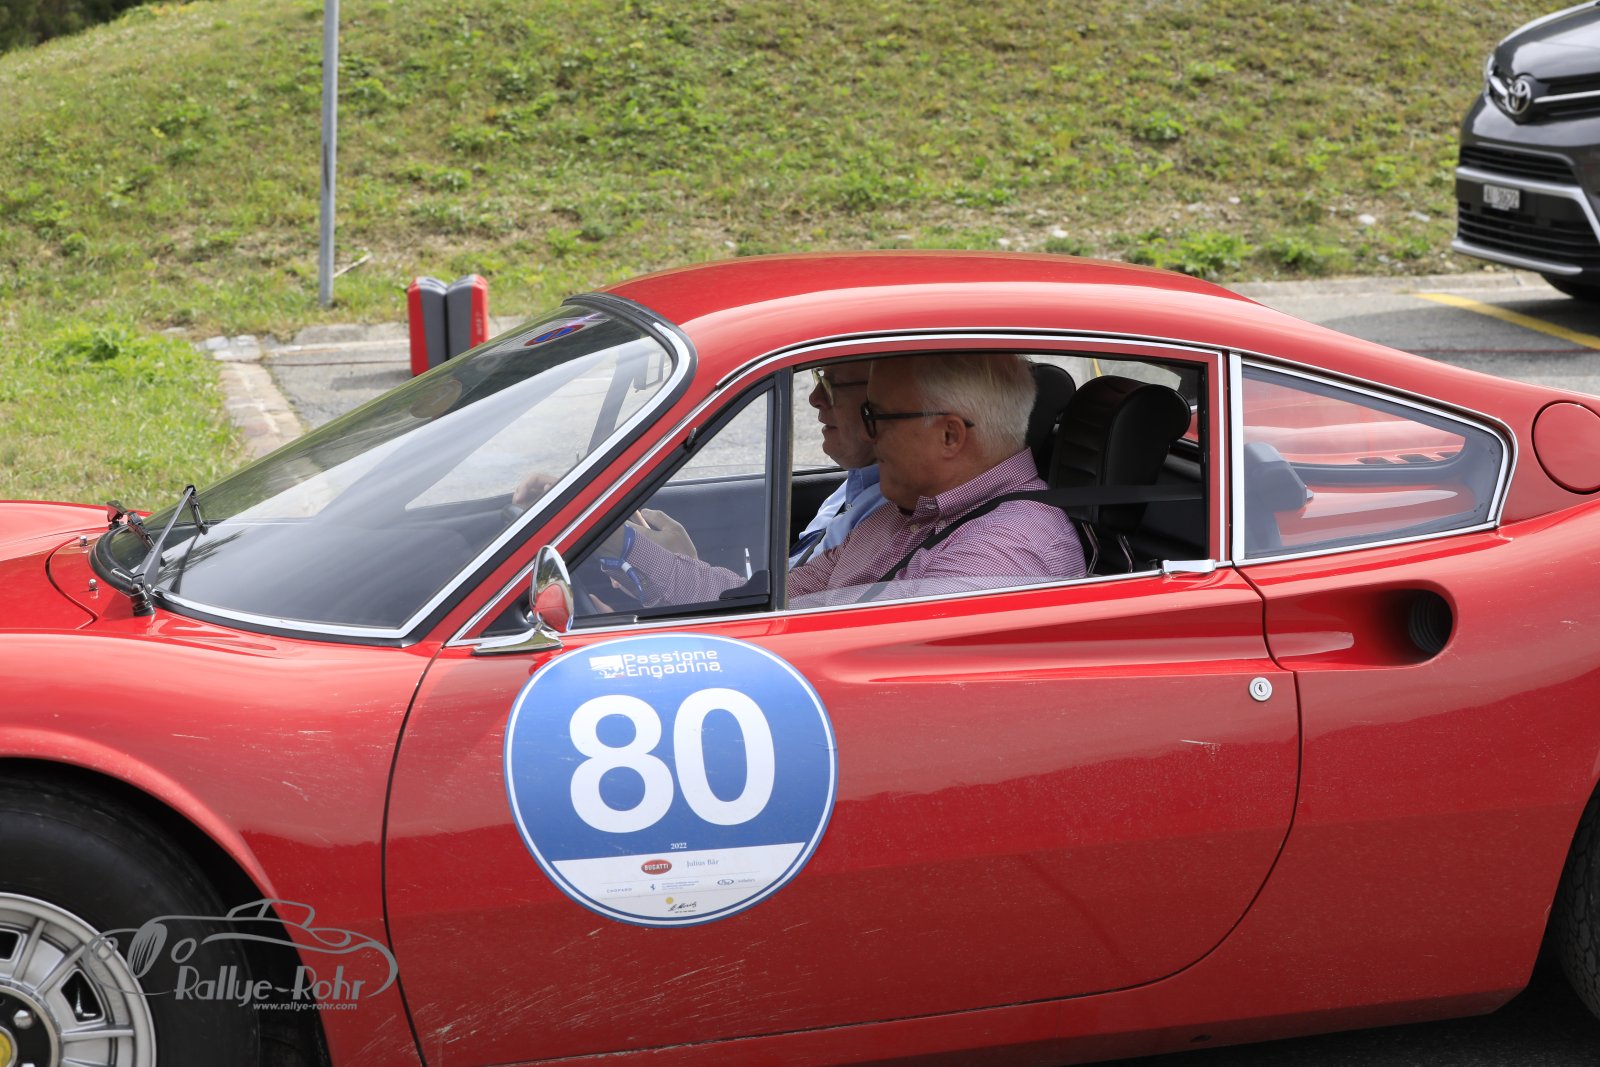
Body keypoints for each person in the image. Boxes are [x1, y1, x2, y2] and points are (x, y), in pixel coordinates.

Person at [620, 353, 1085, 607]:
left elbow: (886, 686)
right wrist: (625, 546)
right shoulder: (897, 518)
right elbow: (764, 603)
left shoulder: (1003, 556)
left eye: (875, 416)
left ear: (949, 435)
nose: (868, 433)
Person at [790, 363, 886, 566]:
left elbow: (803, 585)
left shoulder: (894, 515)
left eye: (832, 384)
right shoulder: (851, 485)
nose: (814, 398)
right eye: (820, 377)